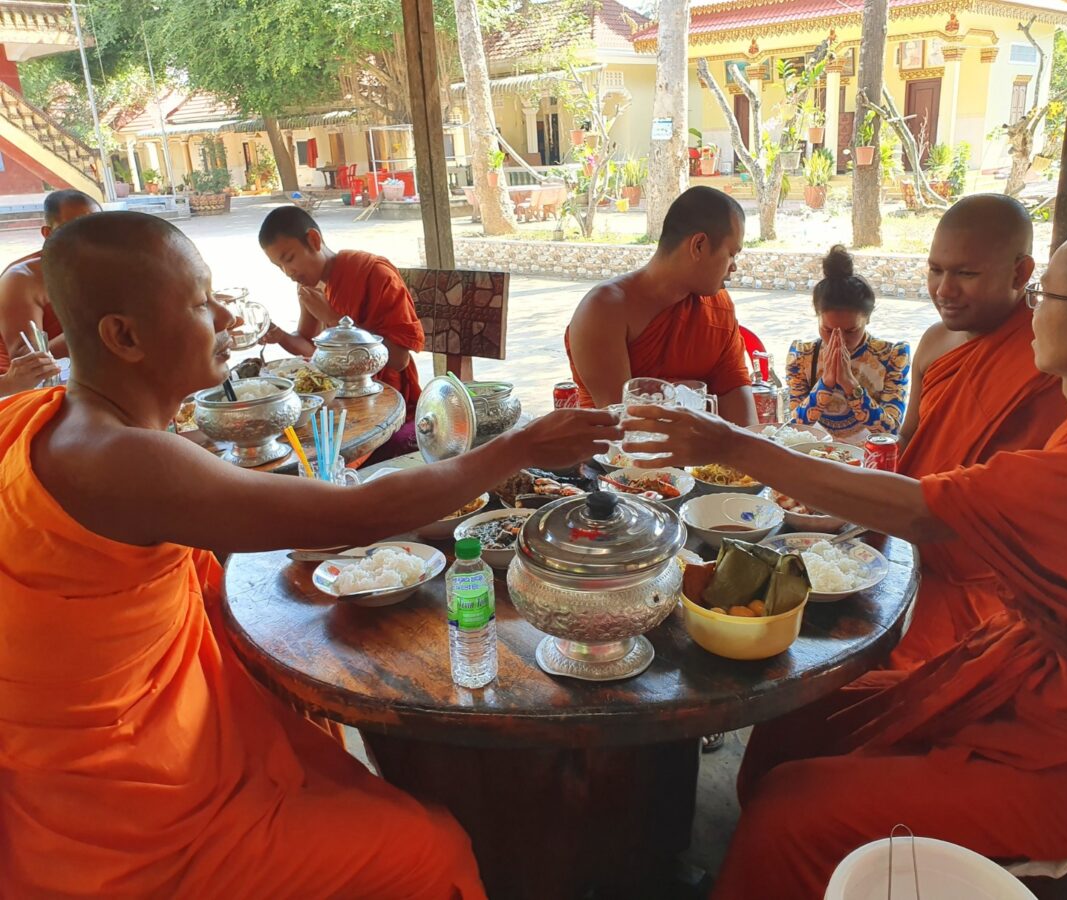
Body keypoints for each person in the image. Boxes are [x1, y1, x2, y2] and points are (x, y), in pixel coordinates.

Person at [0, 211, 620, 896]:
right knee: (429, 849)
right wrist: (522, 446)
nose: (226, 319)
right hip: (132, 818)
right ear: (124, 336)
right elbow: (362, 511)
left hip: (110, 763)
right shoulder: (120, 461)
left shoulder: (44, 418)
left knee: (322, 738)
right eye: (202, 303)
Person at [622, 213, 1067, 897]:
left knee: (790, 811)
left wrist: (733, 444)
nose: (1033, 311)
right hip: (1033, 681)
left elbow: (924, 510)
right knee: (795, 728)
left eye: (1046, 296)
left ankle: (783, 856)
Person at [887, 193, 1067, 668]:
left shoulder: (1048, 364)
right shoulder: (934, 341)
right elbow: (908, 440)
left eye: (966, 274)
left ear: (1020, 272)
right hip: (902, 548)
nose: (944, 289)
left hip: (984, 588)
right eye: (935, 270)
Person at [564, 186, 757, 425]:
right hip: (617, 459)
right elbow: (623, 426)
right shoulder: (604, 309)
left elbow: (741, 413)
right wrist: (680, 395)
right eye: (731, 254)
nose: (734, 267)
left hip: (702, 458)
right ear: (698, 245)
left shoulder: (718, 307)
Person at [257, 205, 425, 450]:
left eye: (289, 259)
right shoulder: (308, 287)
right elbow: (312, 348)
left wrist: (336, 321)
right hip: (335, 400)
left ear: (314, 240)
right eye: (278, 266)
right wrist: (279, 335)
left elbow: (398, 359)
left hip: (382, 400)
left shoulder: (373, 274)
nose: (287, 272)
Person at [785, 245, 910, 442]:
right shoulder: (802, 356)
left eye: (851, 331)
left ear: (867, 319)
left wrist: (850, 385)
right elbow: (794, 427)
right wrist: (826, 383)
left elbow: (890, 431)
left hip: (868, 460)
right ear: (818, 318)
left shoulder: (892, 356)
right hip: (817, 457)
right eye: (828, 330)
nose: (839, 341)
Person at [0, 189, 101, 373]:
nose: (89, 239)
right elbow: (29, 361)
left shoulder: (106, 267)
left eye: (97, 228)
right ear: (48, 233)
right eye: (74, 230)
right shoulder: (22, 278)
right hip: (23, 389)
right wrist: (94, 326)